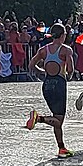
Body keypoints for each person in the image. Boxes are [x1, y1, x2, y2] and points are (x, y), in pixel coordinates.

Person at [26, 23, 75, 158]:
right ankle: (38, 118)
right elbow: (70, 70)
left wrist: (42, 72)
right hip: (59, 85)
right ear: (63, 35)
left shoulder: (43, 50)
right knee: (58, 120)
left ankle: (61, 147)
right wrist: (68, 76)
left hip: (47, 85)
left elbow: (31, 64)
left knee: (56, 118)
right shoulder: (66, 50)